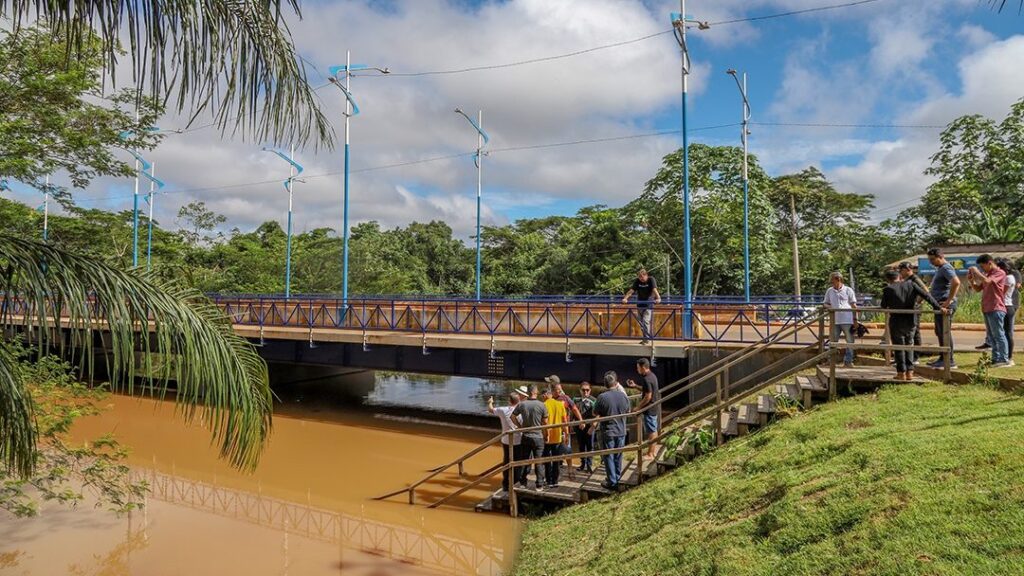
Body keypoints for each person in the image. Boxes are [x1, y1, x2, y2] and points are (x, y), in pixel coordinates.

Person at [881, 268, 943, 380]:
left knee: (899, 347)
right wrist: (939, 308)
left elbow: (883, 306)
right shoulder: (911, 285)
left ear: (888, 280)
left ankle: (901, 373)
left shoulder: (887, 289)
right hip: (911, 319)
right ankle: (910, 372)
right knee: (909, 345)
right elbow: (927, 296)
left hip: (896, 321)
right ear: (899, 277)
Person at [967, 255, 1011, 367]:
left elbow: (987, 281)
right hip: (987, 308)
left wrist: (976, 272)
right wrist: (972, 281)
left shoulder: (999, 273)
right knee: (991, 336)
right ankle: (996, 358)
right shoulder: (988, 274)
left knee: (999, 335)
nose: (982, 269)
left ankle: (1004, 359)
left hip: (996, 308)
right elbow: (978, 289)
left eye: (983, 266)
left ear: (990, 263)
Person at [926, 248, 962, 369]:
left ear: (940, 256)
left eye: (932, 259)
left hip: (944, 305)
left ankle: (949, 360)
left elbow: (956, 282)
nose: (931, 262)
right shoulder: (941, 269)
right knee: (940, 332)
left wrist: (949, 300)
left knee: (944, 332)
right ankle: (943, 357)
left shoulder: (946, 268)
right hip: (939, 304)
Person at [594, 371, 630, 490]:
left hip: (608, 431)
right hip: (621, 430)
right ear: (615, 383)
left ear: (605, 384)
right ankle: (617, 477)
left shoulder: (602, 397)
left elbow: (595, 412)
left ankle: (612, 481)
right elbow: (628, 410)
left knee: (608, 456)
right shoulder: (623, 396)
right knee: (618, 455)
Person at [978, 258, 1019, 361]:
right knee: (995, 334)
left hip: (1004, 306)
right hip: (997, 306)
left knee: (1004, 333)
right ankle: (998, 357)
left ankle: (1006, 357)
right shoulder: (996, 276)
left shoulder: (1007, 277)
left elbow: (1000, 293)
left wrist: (977, 273)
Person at [487, 388, 526, 495]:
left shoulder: (503, 410)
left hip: (506, 440)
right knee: (517, 463)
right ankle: (516, 483)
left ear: (509, 401)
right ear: (519, 401)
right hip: (519, 440)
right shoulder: (523, 411)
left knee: (506, 462)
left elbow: (491, 409)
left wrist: (490, 402)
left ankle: (505, 485)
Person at [545, 375, 583, 479]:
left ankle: (568, 469)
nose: (548, 385)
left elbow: (574, 409)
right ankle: (561, 469)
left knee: (566, 449)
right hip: (557, 429)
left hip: (561, 429)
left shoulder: (563, 399)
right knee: (562, 449)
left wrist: (581, 420)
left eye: (549, 383)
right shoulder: (552, 398)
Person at [511, 385, 548, 489]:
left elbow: (512, 416)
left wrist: (520, 426)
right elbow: (545, 422)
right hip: (538, 437)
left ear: (528, 392)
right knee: (538, 461)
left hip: (526, 436)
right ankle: (539, 484)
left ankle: (523, 482)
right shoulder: (542, 405)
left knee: (525, 460)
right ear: (536, 392)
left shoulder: (522, 404)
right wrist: (546, 435)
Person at [626, 358, 660, 460]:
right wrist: (635, 386)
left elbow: (648, 396)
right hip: (654, 407)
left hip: (650, 409)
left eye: (638, 368)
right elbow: (646, 390)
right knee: (653, 430)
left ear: (643, 367)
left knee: (651, 431)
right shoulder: (652, 376)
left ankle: (650, 454)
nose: (637, 370)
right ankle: (652, 452)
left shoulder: (647, 379)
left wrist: (638, 407)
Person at [823, 271, 858, 367]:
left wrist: (855, 319)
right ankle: (831, 361)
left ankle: (848, 361)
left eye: (833, 281)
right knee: (833, 340)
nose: (832, 283)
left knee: (850, 340)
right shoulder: (830, 291)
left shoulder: (848, 290)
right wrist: (829, 307)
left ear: (839, 280)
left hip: (847, 319)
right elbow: (825, 303)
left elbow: (853, 305)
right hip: (835, 320)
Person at [898, 262, 928, 365]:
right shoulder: (907, 280)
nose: (900, 273)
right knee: (909, 332)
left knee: (915, 332)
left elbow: (925, 290)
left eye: (901, 270)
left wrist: (916, 303)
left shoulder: (915, 279)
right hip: (909, 309)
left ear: (907, 269)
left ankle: (915, 357)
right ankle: (908, 357)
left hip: (915, 309)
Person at [622, 267, 661, 345]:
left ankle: (646, 339)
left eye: (643, 278)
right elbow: (631, 291)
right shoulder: (637, 281)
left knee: (646, 321)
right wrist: (625, 298)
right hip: (640, 304)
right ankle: (645, 338)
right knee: (641, 322)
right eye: (640, 278)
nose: (641, 279)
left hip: (648, 304)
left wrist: (658, 298)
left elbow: (654, 289)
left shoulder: (651, 279)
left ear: (646, 275)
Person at [541, 386, 569, 489]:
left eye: (543, 396)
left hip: (547, 438)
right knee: (556, 460)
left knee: (547, 460)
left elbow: (544, 422)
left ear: (546, 395)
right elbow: (564, 421)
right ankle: (555, 481)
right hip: (557, 437)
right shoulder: (560, 405)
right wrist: (566, 435)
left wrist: (545, 435)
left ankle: (548, 481)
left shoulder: (543, 405)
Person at [573, 381, 597, 473]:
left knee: (590, 446)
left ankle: (589, 465)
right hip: (579, 427)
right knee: (581, 445)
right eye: (583, 390)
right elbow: (573, 412)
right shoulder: (576, 400)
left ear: (590, 390)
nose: (585, 392)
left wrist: (593, 426)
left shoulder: (594, 400)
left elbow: (596, 414)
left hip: (589, 427)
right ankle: (583, 464)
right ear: (580, 390)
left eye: (587, 390)